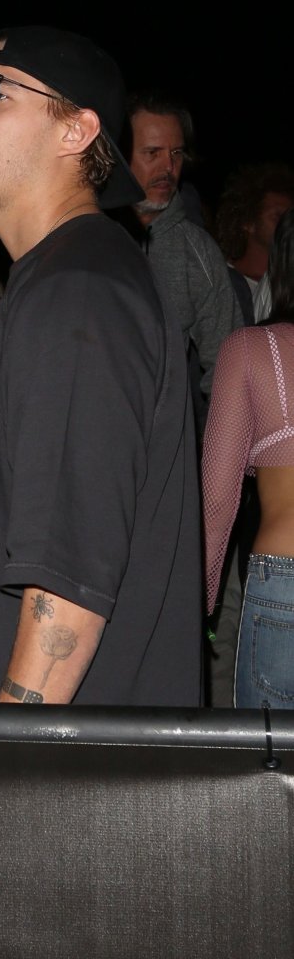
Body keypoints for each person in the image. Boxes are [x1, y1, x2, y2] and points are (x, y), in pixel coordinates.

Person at [0, 26, 204, 707]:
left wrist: (2, 758)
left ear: (75, 131)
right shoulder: (64, 279)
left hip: (35, 760)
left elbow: (68, 577)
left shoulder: (78, 291)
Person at [110, 92, 244, 441]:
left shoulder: (198, 252)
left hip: (164, 450)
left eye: (176, 153)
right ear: (119, 155)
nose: (168, 168)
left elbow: (228, 370)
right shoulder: (84, 236)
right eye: (152, 153)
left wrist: (216, 455)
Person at [202, 207, 294, 708]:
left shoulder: (254, 350)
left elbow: (217, 499)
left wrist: (200, 606)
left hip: (285, 579)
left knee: (270, 752)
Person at [214, 161, 294, 313]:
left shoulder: (288, 285)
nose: (287, 224)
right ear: (248, 222)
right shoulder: (219, 282)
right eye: (278, 217)